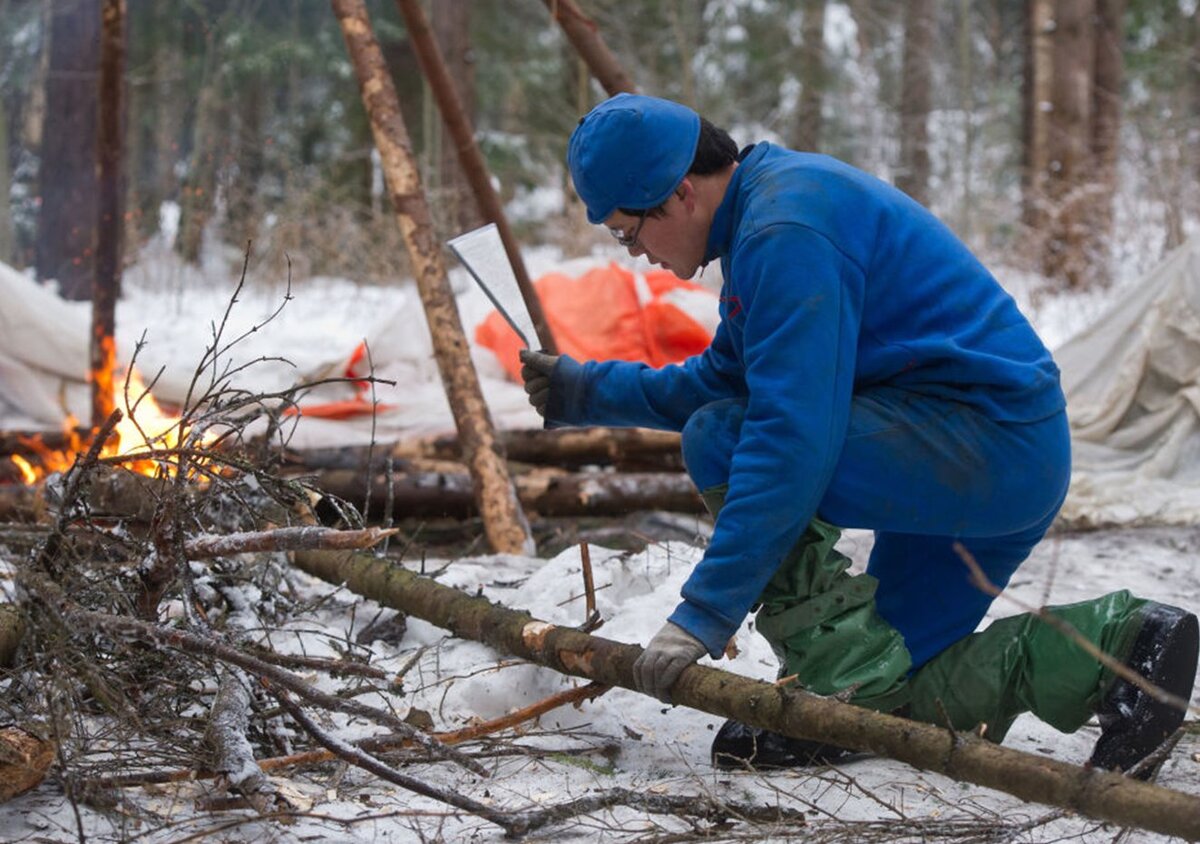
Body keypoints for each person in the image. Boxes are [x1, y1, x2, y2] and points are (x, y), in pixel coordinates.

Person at [519, 93, 1198, 775]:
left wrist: (704, 613)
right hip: (975, 456)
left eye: (626, 232)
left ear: (679, 194)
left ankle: (834, 682)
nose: (635, 254)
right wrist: (584, 390)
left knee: (723, 440)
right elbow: (728, 378)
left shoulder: (785, 228)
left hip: (985, 448)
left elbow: (787, 435)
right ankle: (1123, 649)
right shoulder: (770, 213)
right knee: (887, 696)